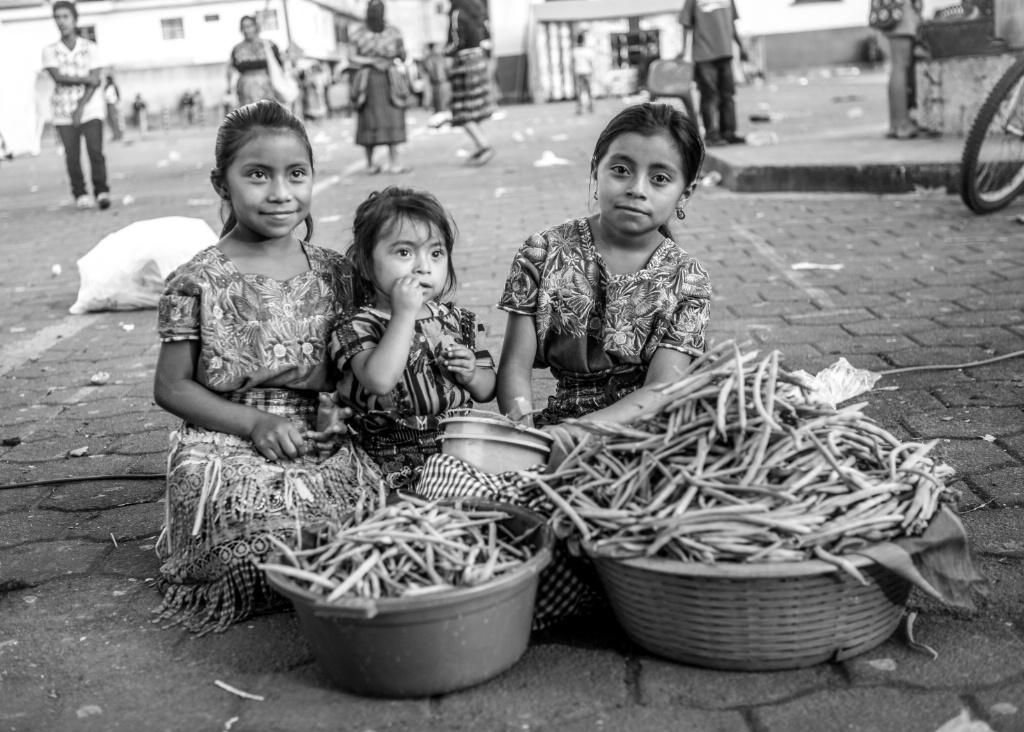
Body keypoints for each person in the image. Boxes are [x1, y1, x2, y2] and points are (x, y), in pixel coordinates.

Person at [152, 100, 383, 635]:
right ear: (222, 184)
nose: (280, 193)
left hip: (319, 434)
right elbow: (171, 387)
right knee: (254, 538)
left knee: (369, 522)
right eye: (258, 175)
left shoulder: (337, 272)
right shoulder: (198, 279)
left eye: (296, 174)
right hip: (224, 436)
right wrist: (255, 425)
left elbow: (356, 361)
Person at [497, 102, 711, 433]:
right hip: (557, 426)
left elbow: (659, 390)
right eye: (621, 170)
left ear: (685, 194)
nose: (637, 189)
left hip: (648, 432)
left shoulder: (687, 279)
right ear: (596, 170)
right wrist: (523, 428)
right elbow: (514, 366)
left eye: (660, 178)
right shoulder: (543, 252)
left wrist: (578, 432)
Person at [330, 186, 496, 490]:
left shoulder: (459, 322)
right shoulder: (358, 326)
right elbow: (379, 380)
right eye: (404, 252)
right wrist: (404, 315)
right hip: (387, 456)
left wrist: (471, 373)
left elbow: (487, 390)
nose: (423, 266)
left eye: (436, 253)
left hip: (457, 449)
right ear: (365, 263)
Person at [42, 0, 112, 211]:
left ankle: (101, 191)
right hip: (62, 112)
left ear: (75, 19)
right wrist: (85, 79)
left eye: (65, 17)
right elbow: (58, 77)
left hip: (90, 109)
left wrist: (81, 107)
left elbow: (96, 81)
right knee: (72, 156)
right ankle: (80, 193)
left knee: (95, 152)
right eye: (58, 17)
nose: (62, 22)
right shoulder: (50, 51)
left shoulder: (90, 49)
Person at [349, 0, 410, 175]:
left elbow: (352, 57)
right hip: (382, 79)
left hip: (371, 80)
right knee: (389, 117)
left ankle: (371, 164)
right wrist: (380, 60)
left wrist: (370, 60)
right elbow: (403, 56)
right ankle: (393, 163)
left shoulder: (359, 34)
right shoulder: (393, 32)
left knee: (370, 120)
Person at [679, 0, 748, 146]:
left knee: (728, 95)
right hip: (704, 56)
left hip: (725, 52)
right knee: (710, 96)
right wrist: (683, 49)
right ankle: (712, 135)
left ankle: (728, 133)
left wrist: (741, 46)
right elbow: (686, 23)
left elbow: (732, 23)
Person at [445, 0, 495, 166]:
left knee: (461, 111)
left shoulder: (457, 14)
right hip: (478, 60)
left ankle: (485, 146)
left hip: (464, 63)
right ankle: (480, 146)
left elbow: (457, 41)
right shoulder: (477, 12)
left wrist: (444, 51)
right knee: (475, 109)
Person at [883, 0, 939, 139]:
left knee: (897, 66)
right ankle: (902, 125)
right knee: (900, 66)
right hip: (901, 12)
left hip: (895, 11)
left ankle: (895, 124)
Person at [227, 15, 284, 107]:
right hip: (245, 89)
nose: (247, 30)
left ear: (256, 27)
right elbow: (231, 69)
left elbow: (279, 65)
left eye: (249, 26)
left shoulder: (269, 45)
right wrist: (230, 89)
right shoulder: (237, 49)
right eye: (244, 27)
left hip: (267, 86)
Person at [423, 42, 450, 114]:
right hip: (444, 82)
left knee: (438, 108)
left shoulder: (428, 58)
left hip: (436, 84)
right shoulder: (441, 57)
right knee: (443, 107)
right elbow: (447, 69)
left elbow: (428, 72)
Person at [572, 31, 595, 115]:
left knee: (580, 91)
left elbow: (573, 62)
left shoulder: (575, 51)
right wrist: (592, 70)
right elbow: (591, 61)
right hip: (587, 71)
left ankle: (580, 108)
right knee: (589, 90)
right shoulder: (587, 50)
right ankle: (591, 106)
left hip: (578, 72)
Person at [102, 74, 123, 141]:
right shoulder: (106, 86)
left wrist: (117, 104)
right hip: (108, 104)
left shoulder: (113, 86)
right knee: (110, 120)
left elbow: (118, 96)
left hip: (112, 104)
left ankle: (118, 135)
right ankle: (115, 134)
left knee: (114, 119)